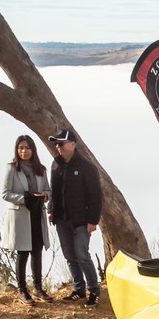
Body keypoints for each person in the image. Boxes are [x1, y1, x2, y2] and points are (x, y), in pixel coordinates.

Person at [47, 127, 101, 305]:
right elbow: (53, 192)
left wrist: (93, 220)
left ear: (72, 144)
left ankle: (94, 290)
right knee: (69, 255)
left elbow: (96, 195)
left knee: (82, 254)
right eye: (56, 144)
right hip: (61, 219)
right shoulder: (55, 165)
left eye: (61, 144)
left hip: (82, 220)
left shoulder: (87, 167)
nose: (58, 147)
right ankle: (79, 289)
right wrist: (50, 210)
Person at [0, 135, 51, 303]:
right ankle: (22, 289)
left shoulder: (41, 169)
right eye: (21, 148)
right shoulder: (11, 168)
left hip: (37, 213)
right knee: (22, 253)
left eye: (27, 148)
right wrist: (25, 198)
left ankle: (38, 288)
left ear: (33, 150)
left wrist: (43, 195)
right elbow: (5, 193)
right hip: (21, 215)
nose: (24, 151)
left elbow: (48, 191)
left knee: (37, 251)